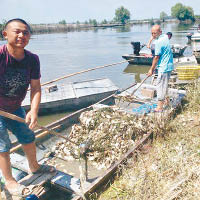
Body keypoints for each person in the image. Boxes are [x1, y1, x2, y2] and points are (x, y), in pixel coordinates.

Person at [0, 18, 55, 197]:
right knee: (2, 146)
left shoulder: (32, 59)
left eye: (25, 32)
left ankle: (35, 166)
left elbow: (36, 88)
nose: (21, 35)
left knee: (28, 136)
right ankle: (9, 181)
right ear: (5, 34)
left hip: (15, 107)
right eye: (17, 31)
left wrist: (33, 111)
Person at [147, 25, 174, 112]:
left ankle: (159, 107)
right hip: (169, 66)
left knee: (160, 86)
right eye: (152, 33)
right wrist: (152, 38)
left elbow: (156, 57)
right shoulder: (165, 37)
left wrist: (151, 69)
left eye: (155, 33)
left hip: (164, 68)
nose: (153, 35)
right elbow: (155, 35)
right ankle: (166, 102)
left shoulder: (158, 42)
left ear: (160, 32)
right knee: (164, 85)